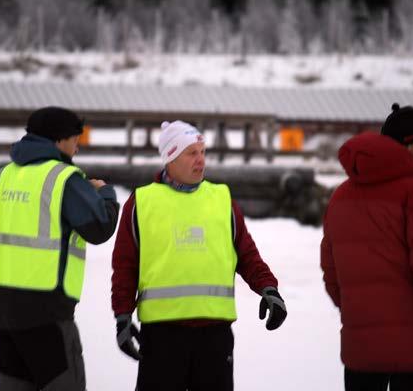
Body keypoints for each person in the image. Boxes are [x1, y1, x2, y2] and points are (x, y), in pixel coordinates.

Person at [111, 120, 287, 391]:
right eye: (191, 153)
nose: (200, 160)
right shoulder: (142, 202)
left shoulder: (221, 199)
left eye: (202, 152)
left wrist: (268, 287)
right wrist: (122, 315)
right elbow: (125, 266)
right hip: (161, 336)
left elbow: (247, 254)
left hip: (214, 336)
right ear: (170, 156)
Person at [320, 103, 413, 391]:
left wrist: (361, 315)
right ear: (410, 146)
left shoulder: (340, 198)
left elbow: (332, 275)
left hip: (361, 354)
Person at [0, 106, 119, 390]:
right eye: (74, 139)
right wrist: (105, 193)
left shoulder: (1, 177)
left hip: (6, 314)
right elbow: (99, 228)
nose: (77, 147)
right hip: (48, 313)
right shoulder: (63, 178)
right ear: (58, 141)